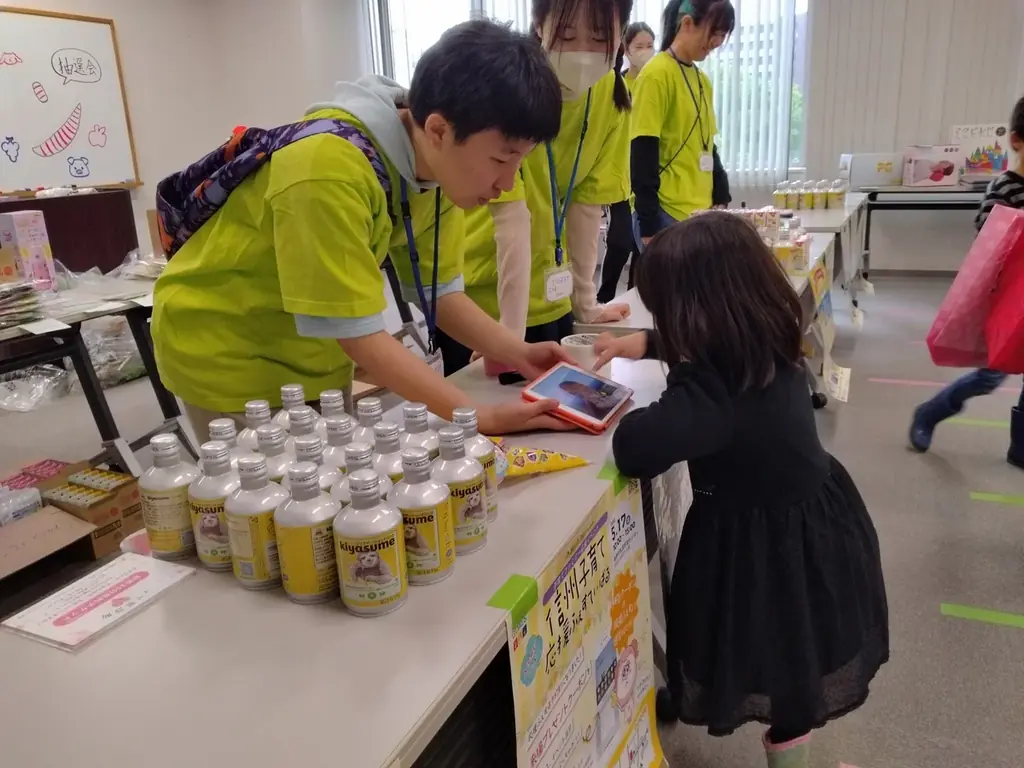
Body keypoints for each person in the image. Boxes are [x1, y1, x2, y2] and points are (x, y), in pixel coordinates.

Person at [152, 21, 578, 443]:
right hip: (228, 350)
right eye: (502, 160)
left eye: (520, 162)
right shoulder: (326, 170)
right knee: (280, 498)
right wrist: (478, 417)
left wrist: (518, 354)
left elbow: (440, 291)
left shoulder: (436, 171)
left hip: (308, 350)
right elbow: (358, 334)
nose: (507, 183)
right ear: (438, 130)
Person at [594, 212, 889, 768]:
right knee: (791, 653)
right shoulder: (765, 343)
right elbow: (714, 357)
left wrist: (667, 369)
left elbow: (635, 447)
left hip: (762, 550)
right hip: (812, 522)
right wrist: (649, 343)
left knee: (779, 660)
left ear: (690, 316)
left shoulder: (710, 395)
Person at [445, 0, 635, 377]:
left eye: (599, 37)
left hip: (552, 293)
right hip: (485, 298)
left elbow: (586, 206)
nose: (582, 52)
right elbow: (511, 220)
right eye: (566, 35)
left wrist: (586, 303)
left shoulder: (610, 95)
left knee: (555, 420)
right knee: (483, 426)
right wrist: (508, 339)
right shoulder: (514, 89)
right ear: (538, 26)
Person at [908, 96, 1024, 468]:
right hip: (1010, 301)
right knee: (991, 375)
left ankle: (1019, 448)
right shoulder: (1004, 189)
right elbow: (988, 254)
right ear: (1017, 141)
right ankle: (931, 411)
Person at [630, 0, 734, 248]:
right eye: (714, 33)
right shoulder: (656, 75)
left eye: (722, 35)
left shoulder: (702, 81)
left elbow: (708, 144)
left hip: (700, 214)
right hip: (667, 215)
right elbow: (642, 151)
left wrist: (720, 189)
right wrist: (648, 223)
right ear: (687, 24)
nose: (717, 42)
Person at [597, 20, 655, 303]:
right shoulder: (617, 85)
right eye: (639, 46)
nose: (645, 52)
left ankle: (637, 298)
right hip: (618, 177)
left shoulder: (656, 84)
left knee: (642, 247)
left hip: (645, 180)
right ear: (627, 50)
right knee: (620, 242)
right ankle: (603, 297)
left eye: (650, 46)